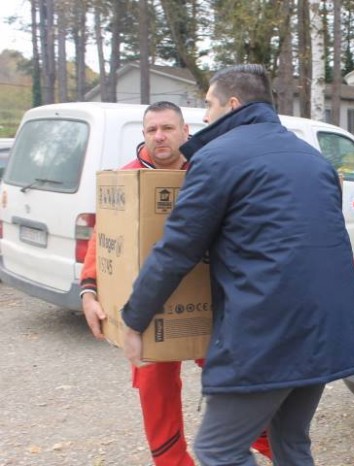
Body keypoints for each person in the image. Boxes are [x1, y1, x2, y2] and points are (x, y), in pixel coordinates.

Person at [119, 64, 354, 466]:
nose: (204, 117)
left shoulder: (218, 157)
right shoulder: (313, 158)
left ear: (232, 104)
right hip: (330, 329)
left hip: (270, 334)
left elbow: (177, 249)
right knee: (290, 441)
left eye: (209, 105)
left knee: (218, 449)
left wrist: (134, 319)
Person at [80, 101, 271, 465]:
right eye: (151, 130)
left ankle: (265, 442)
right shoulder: (127, 178)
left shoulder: (210, 169)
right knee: (154, 386)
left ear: (186, 131)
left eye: (167, 128)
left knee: (235, 374)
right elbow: (104, 240)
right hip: (147, 307)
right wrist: (89, 290)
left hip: (209, 299)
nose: (159, 136)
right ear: (144, 135)